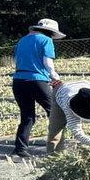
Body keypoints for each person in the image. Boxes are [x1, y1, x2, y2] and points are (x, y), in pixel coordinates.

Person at [11, 18, 64, 158]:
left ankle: (20, 149)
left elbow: (16, 61)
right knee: (55, 113)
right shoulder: (46, 40)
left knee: (27, 116)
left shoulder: (22, 41)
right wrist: (55, 77)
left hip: (18, 81)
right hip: (38, 81)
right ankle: (56, 148)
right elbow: (48, 62)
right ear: (49, 32)